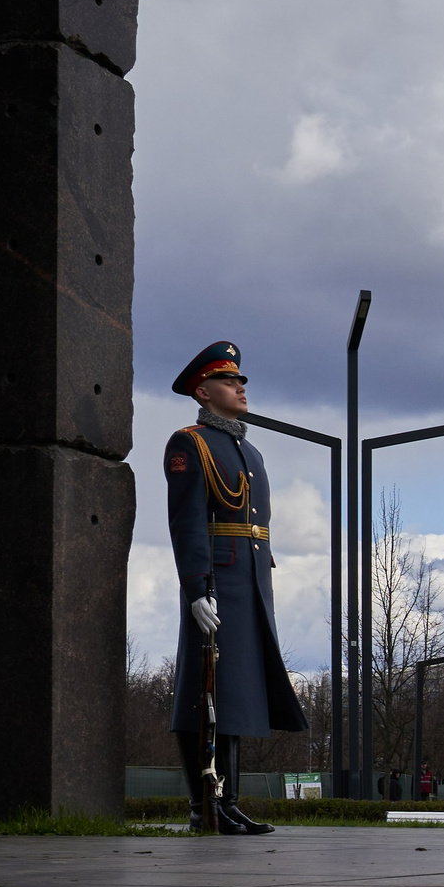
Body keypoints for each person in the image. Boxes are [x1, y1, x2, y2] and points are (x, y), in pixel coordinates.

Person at [164, 341, 304, 835]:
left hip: (250, 582)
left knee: (238, 693)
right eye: (229, 382)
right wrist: (197, 587)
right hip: (217, 582)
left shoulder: (250, 449)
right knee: (202, 692)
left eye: (242, 382)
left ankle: (230, 801)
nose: (240, 388)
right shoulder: (190, 442)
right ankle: (205, 803)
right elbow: (188, 522)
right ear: (203, 392)